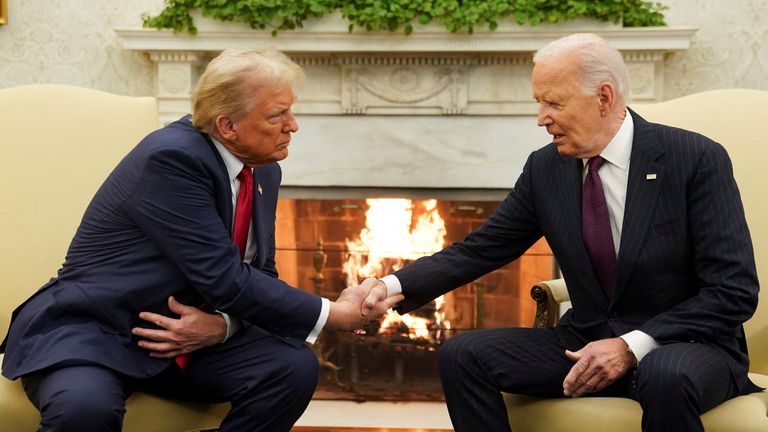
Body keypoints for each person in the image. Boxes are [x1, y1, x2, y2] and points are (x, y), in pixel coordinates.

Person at [361, 33, 761, 432]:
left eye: (554, 102)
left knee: (665, 375)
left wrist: (630, 345)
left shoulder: (694, 159)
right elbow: (481, 249)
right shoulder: (545, 169)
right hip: (585, 341)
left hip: (683, 346)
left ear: (604, 98)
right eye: (539, 101)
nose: (541, 117)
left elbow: (732, 291)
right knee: (462, 354)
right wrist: (391, 285)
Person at [0, 49, 401, 432]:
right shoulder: (172, 159)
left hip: (181, 343)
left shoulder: (261, 171)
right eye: (278, 114)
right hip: (98, 332)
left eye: (290, 110)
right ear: (227, 125)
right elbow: (225, 278)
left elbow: (260, 272)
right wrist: (336, 314)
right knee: (84, 412)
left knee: (291, 367)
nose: (293, 125)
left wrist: (223, 327)